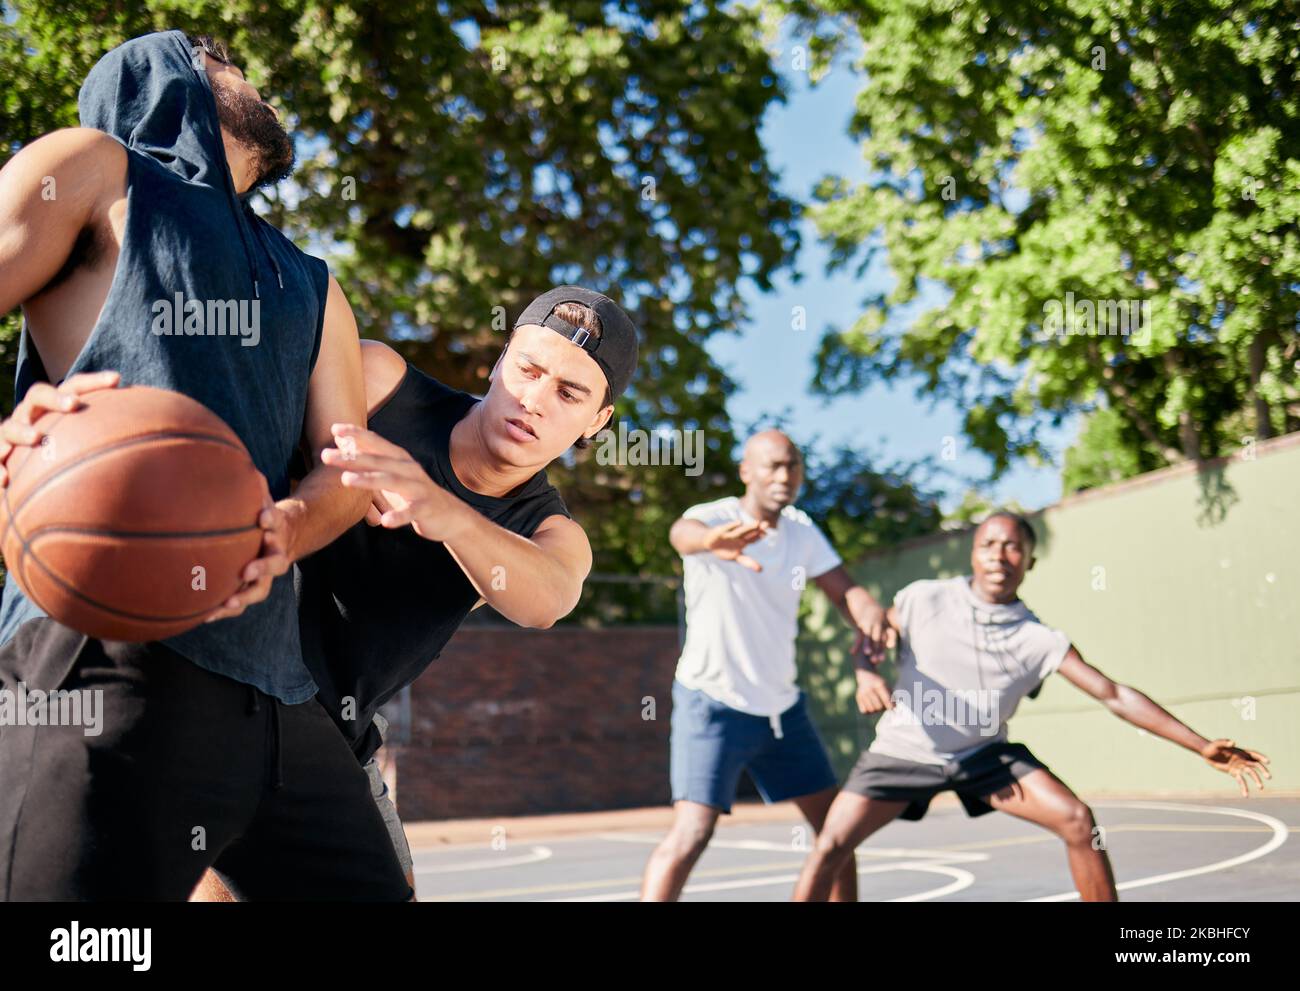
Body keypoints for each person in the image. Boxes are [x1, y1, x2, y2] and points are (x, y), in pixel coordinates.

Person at [0, 31, 410, 900]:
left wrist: (293, 522)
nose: (248, 70)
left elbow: (347, 468)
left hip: (274, 690)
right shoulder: (93, 168)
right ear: (166, 72)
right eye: (220, 52)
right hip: (99, 658)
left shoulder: (310, 280)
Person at [192, 285, 640, 899]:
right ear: (501, 357)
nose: (533, 399)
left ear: (597, 421)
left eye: (568, 393)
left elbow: (547, 599)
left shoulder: (548, 531)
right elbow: (234, 422)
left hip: (339, 742)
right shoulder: (381, 382)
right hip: (225, 691)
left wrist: (441, 510)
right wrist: (316, 478)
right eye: (528, 369)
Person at [793, 511, 1273, 902]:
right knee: (830, 845)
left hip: (981, 755)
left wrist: (1201, 745)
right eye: (988, 545)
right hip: (903, 753)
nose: (999, 555)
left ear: (1029, 561)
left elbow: (1113, 694)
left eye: (1012, 546)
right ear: (973, 554)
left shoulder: (1036, 639)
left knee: (1078, 822)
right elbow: (871, 639)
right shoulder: (925, 598)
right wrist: (865, 674)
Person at [639, 430, 895, 902]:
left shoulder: (801, 531)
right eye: (773, 466)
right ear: (746, 472)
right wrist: (713, 540)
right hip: (712, 703)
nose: (784, 476)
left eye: (792, 466)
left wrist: (870, 613)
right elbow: (682, 535)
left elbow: (845, 591)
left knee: (836, 833)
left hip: (782, 711)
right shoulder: (712, 518)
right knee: (692, 834)